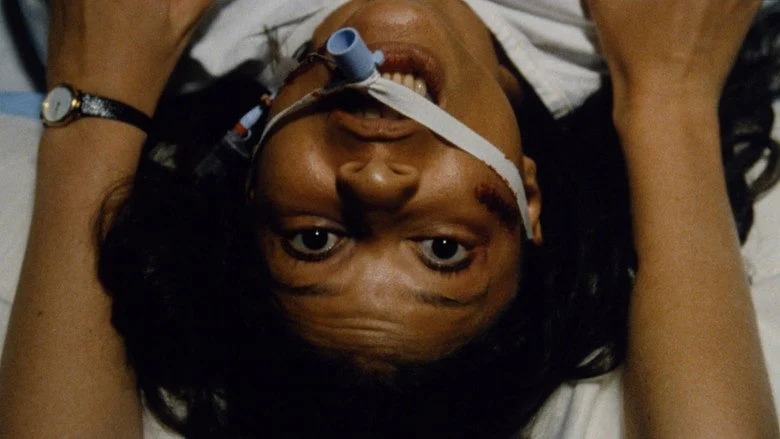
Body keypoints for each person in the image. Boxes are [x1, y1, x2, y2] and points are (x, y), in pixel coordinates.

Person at [0, 0, 778, 437]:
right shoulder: (665, 18)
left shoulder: (147, 19)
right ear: (527, 197)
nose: (374, 178)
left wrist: (97, 97)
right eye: (442, 248)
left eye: (314, 239)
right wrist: (670, 103)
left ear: (249, 189)